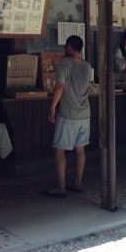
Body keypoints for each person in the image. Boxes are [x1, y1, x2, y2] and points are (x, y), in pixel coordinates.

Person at [43, 35, 92, 198]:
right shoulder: (87, 66)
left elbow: (59, 86)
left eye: (66, 46)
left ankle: (61, 187)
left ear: (70, 47)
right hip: (84, 113)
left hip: (69, 113)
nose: (64, 49)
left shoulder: (64, 63)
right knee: (80, 150)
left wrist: (52, 107)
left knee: (59, 150)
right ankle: (78, 183)